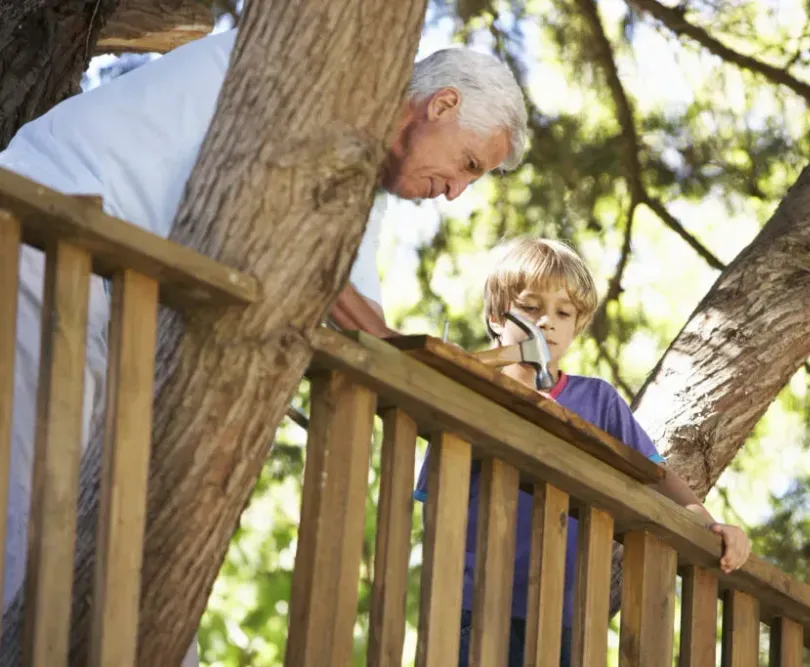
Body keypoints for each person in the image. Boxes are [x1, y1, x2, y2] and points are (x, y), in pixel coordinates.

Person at [0, 29, 528, 665]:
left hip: (106, 302)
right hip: (33, 249)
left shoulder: (358, 164)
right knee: (26, 526)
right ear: (441, 105)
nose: (456, 192)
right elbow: (342, 297)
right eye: (469, 165)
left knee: (117, 559)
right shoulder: (322, 85)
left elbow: (359, 308)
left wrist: (418, 365)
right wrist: (430, 371)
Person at [413, 237, 752, 667]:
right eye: (531, 308)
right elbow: (435, 498)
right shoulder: (471, 393)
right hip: (471, 605)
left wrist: (709, 523)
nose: (547, 323)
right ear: (499, 318)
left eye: (563, 313)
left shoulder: (598, 401)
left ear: (578, 324)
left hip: (561, 612)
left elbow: (655, 474)